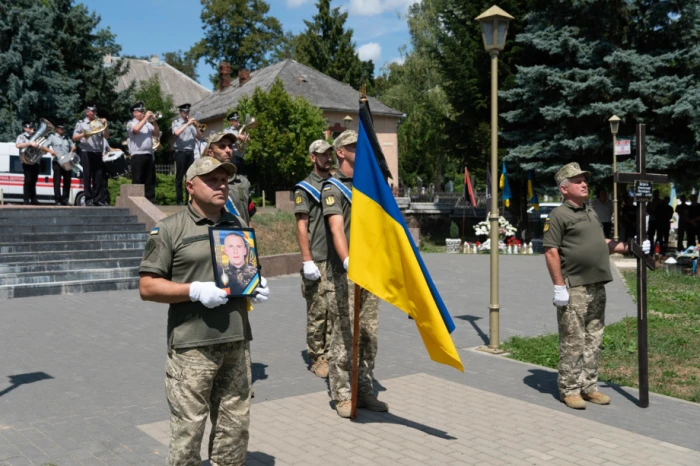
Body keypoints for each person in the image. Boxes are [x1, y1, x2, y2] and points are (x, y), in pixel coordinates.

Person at [139, 157, 270, 466]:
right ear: (190, 186)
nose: (221, 184)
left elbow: (242, 272)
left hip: (236, 342)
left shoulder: (236, 225)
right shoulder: (170, 229)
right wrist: (193, 290)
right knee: (188, 433)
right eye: (211, 180)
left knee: (234, 429)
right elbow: (148, 287)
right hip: (192, 347)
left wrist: (256, 283)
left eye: (224, 179)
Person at [543, 162, 650, 410]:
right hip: (575, 288)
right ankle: (569, 389)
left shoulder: (589, 211)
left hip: (596, 286)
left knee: (594, 338)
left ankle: (589, 386)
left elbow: (602, 243)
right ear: (564, 188)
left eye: (584, 180)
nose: (584, 184)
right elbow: (550, 252)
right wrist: (559, 287)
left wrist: (632, 248)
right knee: (573, 340)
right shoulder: (559, 215)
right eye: (577, 181)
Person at [322, 130, 387, 418]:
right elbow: (336, 227)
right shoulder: (332, 188)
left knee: (369, 336)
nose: (359, 151)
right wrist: (348, 260)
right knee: (344, 336)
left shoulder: (368, 186)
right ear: (340, 152)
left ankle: (364, 390)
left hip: (371, 272)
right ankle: (343, 394)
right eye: (353, 147)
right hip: (343, 274)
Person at [295, 140, 334, 378]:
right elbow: (302, 226)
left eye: (329, 153)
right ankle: (318, 356)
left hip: (337, 258)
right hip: (318, 258)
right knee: (318, 311)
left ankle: (331, 352)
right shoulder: (305, 187)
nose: (327, 158)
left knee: (335, 310)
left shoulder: (337, 183)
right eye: (322, 154)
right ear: (312, 157)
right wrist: (306, 260)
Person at [204, 132, 254, 224]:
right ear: (210, 152)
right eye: (222, 146)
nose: (228, 150)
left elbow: (248, 217)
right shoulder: (202, 182)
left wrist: (251, 237)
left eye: (230, 146)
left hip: (243, 236)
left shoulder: (242, 181)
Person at [73, 104, 109, 206]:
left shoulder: (99, 123)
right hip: (86, 151)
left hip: (97, 152)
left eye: (94, 111)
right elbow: (74, 137)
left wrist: (106, 125)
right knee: (87, 176)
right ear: (87, 112)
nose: (93, 113)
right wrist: (83, 134)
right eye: (91, 111)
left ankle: (97, 199)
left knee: (98, 176)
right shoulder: (81, 124)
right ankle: (88, 199)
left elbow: (106, 136)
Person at [127, 101, 158, 203]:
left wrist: (154, 121)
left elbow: (156, 133)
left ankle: (150, 200)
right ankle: (137, 201)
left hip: (149, 154)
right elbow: (135, 130)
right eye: (139, 111)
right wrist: (145, 119)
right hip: (137, 155)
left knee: (150, 180)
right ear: (134, 113)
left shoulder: (148, 124)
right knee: (138, 179)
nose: (142, 113)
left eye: (142, 111)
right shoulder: (131, 123)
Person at [172, 103, 202, 205]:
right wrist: (187, 124)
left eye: (188, 112)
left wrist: (196, 126)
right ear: (181, 112)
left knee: (189, 177)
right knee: (179, 177)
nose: (187, 113)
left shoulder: (192, 125)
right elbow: (176, 133)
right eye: (185, 112)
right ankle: (179, 200)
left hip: (190, 152)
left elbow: (199, 137)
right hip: (180, 152)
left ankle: (188, 200)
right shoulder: (176, 122)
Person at [43, 124, 75, 206]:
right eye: (61, 129)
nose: (63, 130)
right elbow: (44, 146)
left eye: (64, 129)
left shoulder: (67, 138)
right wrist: (51, 151)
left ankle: (65, 200)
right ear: (57, 129)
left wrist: (74, 147)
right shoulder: (52, 137)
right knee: (57, 181)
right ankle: (57, 200)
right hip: (57, 161)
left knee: (67, 181)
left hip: (67, 161)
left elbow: (73, 146)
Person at [15, 121, 40, 205]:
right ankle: (26, 199)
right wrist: (30, 143)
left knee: (34, 180)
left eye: (32, 127)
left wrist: (38, 146)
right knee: (28, 180)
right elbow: (18, 145)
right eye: (30, 127)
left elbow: (40, 147)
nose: (32, 129)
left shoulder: (35, 136)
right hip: (26, 160)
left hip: (35, 160)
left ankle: (33, 198)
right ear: (25, 128)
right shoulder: (21, 136)